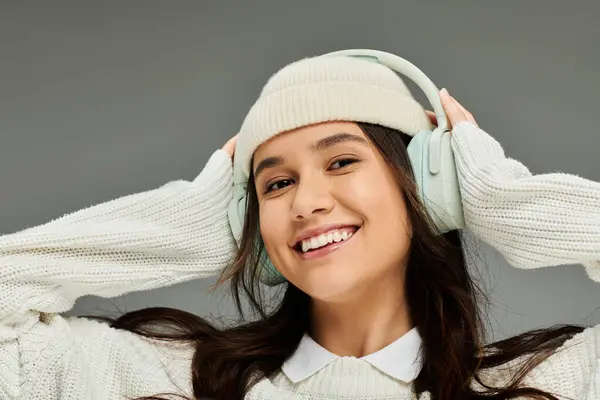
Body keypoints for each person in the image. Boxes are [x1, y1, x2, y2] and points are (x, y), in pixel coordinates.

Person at [0, 54, 598, 400]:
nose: (306, 203)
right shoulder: (175, 382)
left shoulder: (539, 387)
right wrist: (188, 227)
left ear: (428, 187)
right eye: (275, 184)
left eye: (341, 162)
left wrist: (506, 199)